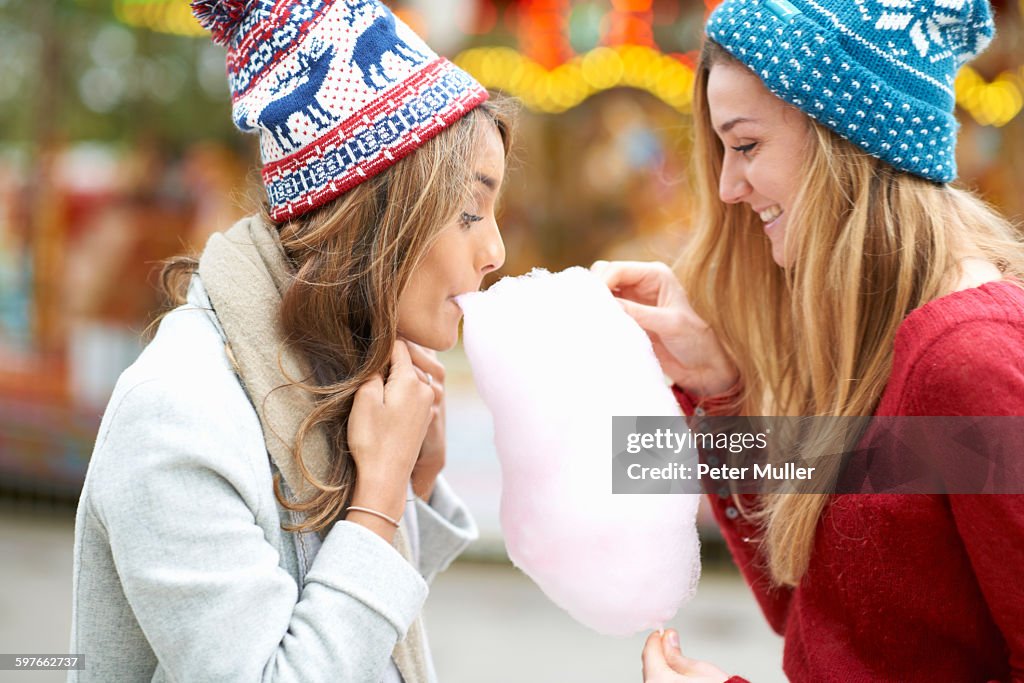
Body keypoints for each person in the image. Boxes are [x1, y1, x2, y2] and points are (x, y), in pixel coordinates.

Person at [68, 1, 511, 681]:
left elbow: (354, 643)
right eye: (470, 211)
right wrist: (379, 495)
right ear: (376, 211)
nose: (497, 248)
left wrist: (408, 488)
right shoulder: (175, 415)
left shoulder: (322, 375)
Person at [593, 0, 1024, 680]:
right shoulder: (879, 341)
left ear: (848, 135)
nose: (730, 186)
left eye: (747, 145)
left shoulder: (968, 358)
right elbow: (825, 617)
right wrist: (718, 391)